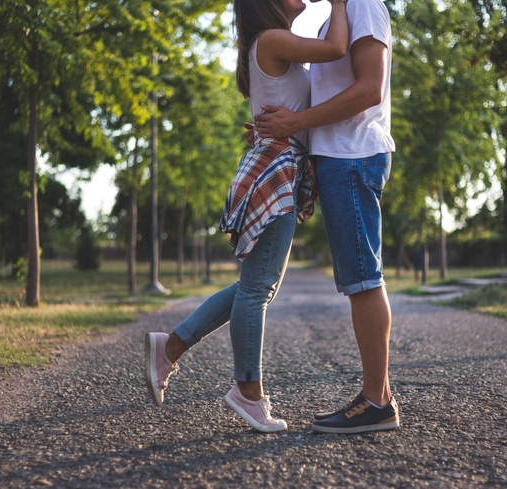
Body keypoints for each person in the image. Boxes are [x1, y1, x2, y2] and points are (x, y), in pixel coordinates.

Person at [143, 0, 349, 433]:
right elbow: (335, 48)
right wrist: (341, 3)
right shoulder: (271, 40)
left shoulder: (270, 45)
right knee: (257, 289)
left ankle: (171, 346)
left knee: (252, 286)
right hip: (277, 168)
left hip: (278, 165)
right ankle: (247, 391)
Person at [252, 0, 399, 433]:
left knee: (362, 277)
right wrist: (289, 131)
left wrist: (297, 121)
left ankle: (377, 400)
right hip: (337, 158)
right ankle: (379, 396)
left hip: (353, 155)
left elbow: (370, 88)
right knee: (358, 278)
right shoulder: (334, 16)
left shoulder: (364, 6)